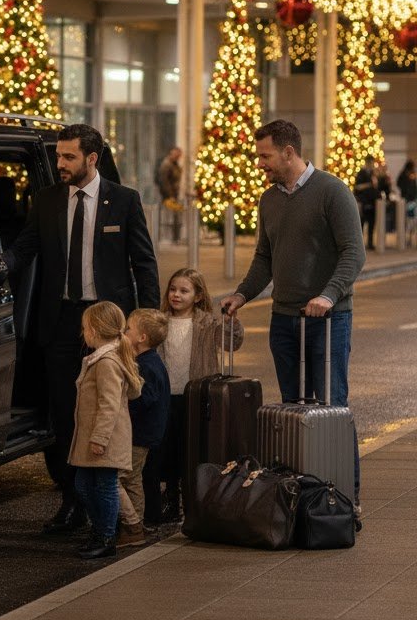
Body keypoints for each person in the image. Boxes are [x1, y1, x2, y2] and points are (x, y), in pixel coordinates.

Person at [5, 123, 160, 535]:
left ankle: (108, 504)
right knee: (64, 415)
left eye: (69, 157)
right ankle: (72, 501)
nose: (60, 163)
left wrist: (146, 321)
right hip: (60, 324)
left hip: (109, 327)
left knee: (108, 411)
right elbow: (24, 249)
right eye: (59, 156)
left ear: (92, 159)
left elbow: (143, 262)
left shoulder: (124, 201)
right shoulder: (47, 200)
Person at [222, 119, 365, 509]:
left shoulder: (332, 192)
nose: (260, 164)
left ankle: (345, 495)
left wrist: (328, 295)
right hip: (284, 318)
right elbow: (265, 258)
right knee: (293, 407)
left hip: (328, 319)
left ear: (289, 152)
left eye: (265, 156)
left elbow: (354, 253)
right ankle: (302, 491)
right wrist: (242, 294)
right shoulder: (269, 199)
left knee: (332, 404)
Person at [155, 267, 243, 522]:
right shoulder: (159, 321)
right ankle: (170, 496)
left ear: (197, 296)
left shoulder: (206, 322)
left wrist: (232, 324)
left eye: (184, 290)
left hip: (194, 395)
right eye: (172, 289)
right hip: (165, 395)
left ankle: (190, 498)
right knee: (166, 448)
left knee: (190, 447)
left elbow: (231, 343)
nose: (176, 295)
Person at [69, 301, 143, 559]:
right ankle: (100, 530)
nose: (83, 333)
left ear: (96, 330)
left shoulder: (106, 362)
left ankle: (106, 536)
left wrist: (100, 438)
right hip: (93, 438)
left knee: (104, 486)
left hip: (104, 440)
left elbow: (109, 405)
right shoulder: (101, 358)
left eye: (85, 328)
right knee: (84, 485)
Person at [117, 308, 170, 546]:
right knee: (131, 476)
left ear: (142, 338)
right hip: (142, 433)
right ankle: (133, 521)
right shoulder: (147, 361)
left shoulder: (147, 366)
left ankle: (133, 524)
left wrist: (123, 405)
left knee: (126, 477)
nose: (123, 332)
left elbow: (143, 399)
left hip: (140, 434)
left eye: (128, 328)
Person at [155, 146, 183, 242]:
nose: (178, 157)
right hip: (167, 195)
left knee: (175, 216)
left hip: (173, 194)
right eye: (177, 155)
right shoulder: (166, 165)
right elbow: (164, 182)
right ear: (171, 154)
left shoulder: (175, 164)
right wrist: (169, 195)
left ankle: (175, 238)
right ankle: (167, 238)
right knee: (168, 217)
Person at [353, 155, 378, 248]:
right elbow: (357, 187)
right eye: (370, 163)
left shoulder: (373, 173)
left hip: (372, 201)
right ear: (367, 163)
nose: (371, 165)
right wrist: (369, 185)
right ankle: (360, 244)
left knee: (372, 223)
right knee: (362, 223)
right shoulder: (361, 173)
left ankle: (370, 243)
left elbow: (376, 187)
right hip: (363, 201)